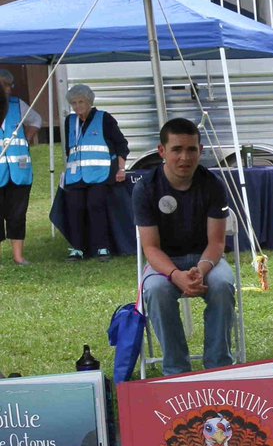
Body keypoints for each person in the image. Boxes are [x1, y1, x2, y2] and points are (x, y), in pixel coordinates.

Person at [134, 118, 235, 375]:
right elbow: (151, 248)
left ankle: (218, 367)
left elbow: (217, 243)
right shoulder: (145, 188)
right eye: (176, 149)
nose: (184, 157)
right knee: (155, 290)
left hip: (205, 258)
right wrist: (175, 275)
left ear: (200, 151)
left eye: (191, 149)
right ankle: (177, 371)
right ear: (162, 151)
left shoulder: (212, 185)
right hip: (164, 262)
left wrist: (200, 270)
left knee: (223, 284)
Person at [62, 83, 129, 261]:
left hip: (100, 173)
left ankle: (102, 247)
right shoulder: (70, 121)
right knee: (74, 209)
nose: (77, 106)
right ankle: (77, 249)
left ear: (89, 102)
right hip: (76, 175)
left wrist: (121, 168)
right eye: (74, 103)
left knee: (95, 207)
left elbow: (122, 145)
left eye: (81, 102)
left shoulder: (104, 118)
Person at [0, 70, 41, 266]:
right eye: (4, 85)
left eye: (9, 85)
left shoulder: (18, 105)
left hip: (19, 171)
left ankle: (18, 256)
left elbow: (37, 120)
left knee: (17, 215)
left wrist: (27, 137)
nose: (7, 89)